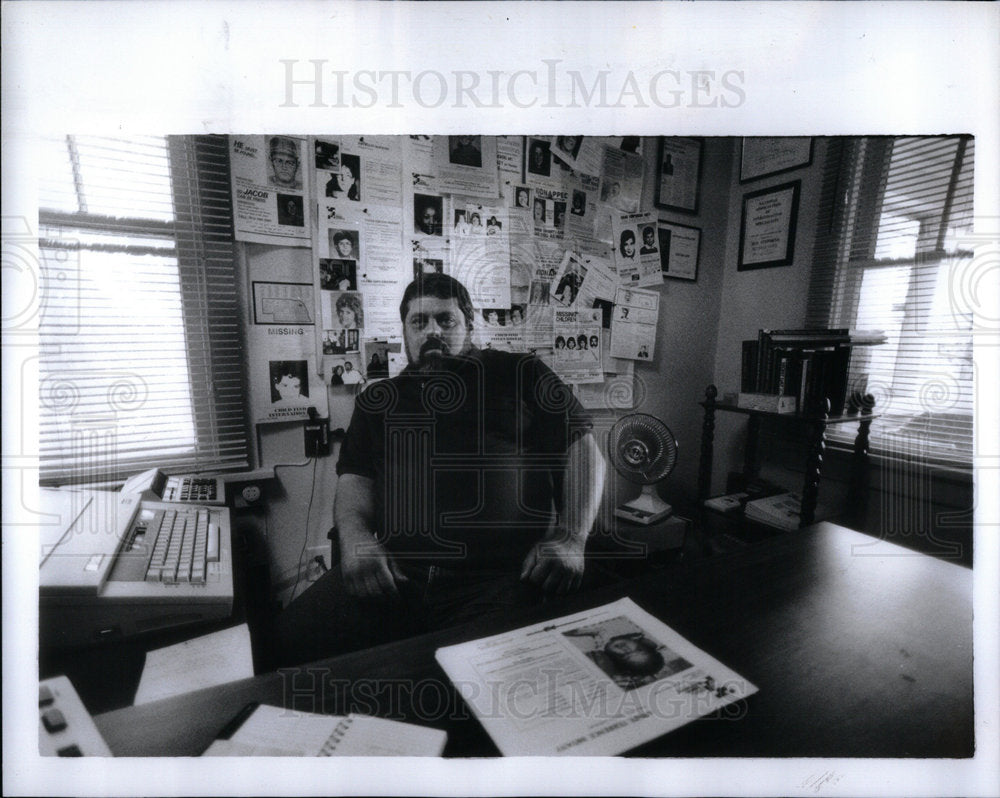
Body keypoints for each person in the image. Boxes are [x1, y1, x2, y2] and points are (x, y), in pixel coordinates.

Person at [268, 274, 605, 668]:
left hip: (497, 580)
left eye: (446, 320)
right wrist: (358, 540)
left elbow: (584, 451)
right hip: (395, 576)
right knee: (281, 648)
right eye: (419, 322)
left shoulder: (521, 372)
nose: (432, 332)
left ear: (469, 324)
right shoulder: (378, 399)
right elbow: (355, 481)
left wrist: (571, 538)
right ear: (405, 331)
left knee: (470, 688)